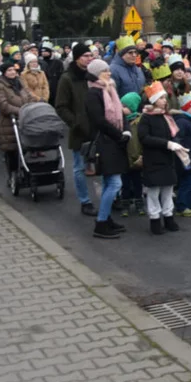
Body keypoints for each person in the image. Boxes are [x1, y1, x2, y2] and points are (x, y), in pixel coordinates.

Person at [84, 58, 130, 238]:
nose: (109, 74)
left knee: (110, 182)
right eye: (104, 71)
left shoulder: (110, 89)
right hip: (104, 141)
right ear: (96, 74)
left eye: (108, 70)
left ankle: (106, 218)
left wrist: (125, 131)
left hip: (114, 140)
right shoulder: (93, 94)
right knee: (114, 183)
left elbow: (120, 112)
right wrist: (118, 135)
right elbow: (99, 120)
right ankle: (101, 223)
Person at [137, 82, 185, 235]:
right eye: (162, 98)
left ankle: (169, 216)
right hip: (153, 158)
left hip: (167, 158)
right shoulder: (146, 118)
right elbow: (144, 137)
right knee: (153, 191)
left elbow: (171, 134)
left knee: (168, 189)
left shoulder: (166, 116)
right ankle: (155, 219)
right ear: (153, 100)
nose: (165, 101)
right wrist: (167, 144)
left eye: (165, 98)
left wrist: (176, 145)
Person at [55, 43, 96, 216]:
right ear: (77, 57)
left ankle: (112, 197)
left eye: (91, 56)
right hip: (79, 129)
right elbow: (61, 106)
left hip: (97, 127)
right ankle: (85, 201)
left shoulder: (92, 76)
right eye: (85, 56)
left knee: (101, 164)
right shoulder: (67, 78)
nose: (89, 59)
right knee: (79, 167)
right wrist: (75, 122)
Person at [0, 60, 34, 190]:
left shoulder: (20, 83)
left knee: (25, 149)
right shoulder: (0, 86)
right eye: (9, 70)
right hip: (9, 123)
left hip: (24, 120)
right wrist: (20, 111)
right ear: (4, 73)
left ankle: (26, 171)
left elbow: (29, 95)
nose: (12, 72)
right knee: (12, 152)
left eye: (13, 70)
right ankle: (12, 175)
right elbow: (2, 104)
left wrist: (36, 103)